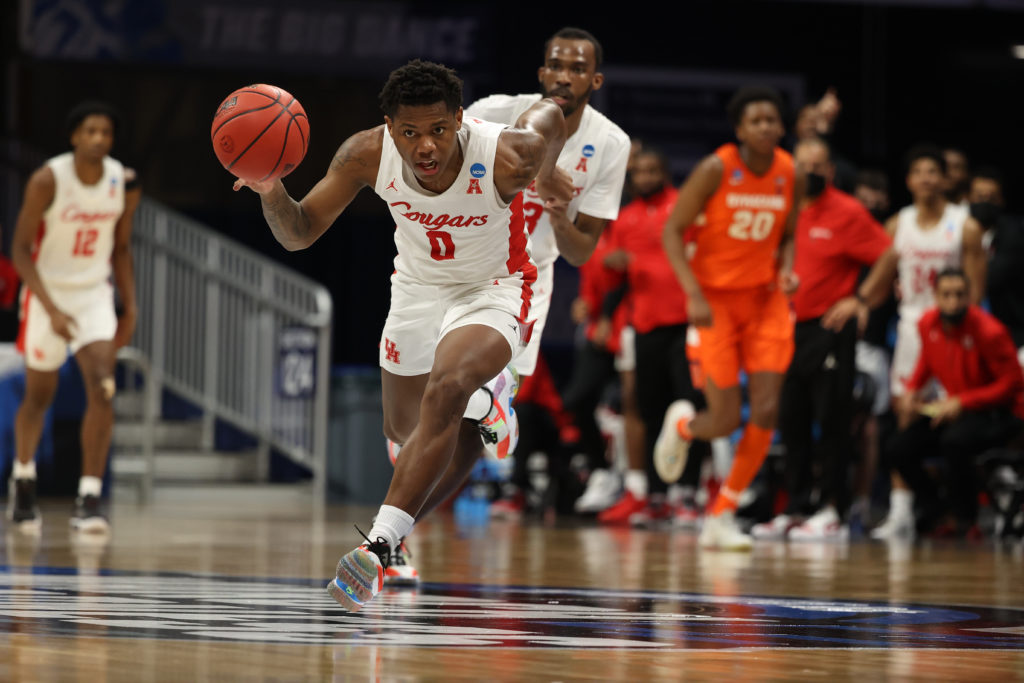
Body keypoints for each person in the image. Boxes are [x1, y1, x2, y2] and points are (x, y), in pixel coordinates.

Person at [234, 60, 571, 612]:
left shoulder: (507, 154)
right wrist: (270, 189)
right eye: (410, 132)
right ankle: (491, 402)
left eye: (439, 129)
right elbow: (298, 233)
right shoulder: (365, 153)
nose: (426, 147)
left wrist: (550, 170)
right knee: (404, 430)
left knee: (449, 386)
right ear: (389, 127)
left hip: (495, 288)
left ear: (460, 119)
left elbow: (552, 115)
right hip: (416, 291)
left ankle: (378, 547)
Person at [656, 86, 804, 550]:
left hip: (765, 303)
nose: (765, 127)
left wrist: (786, 270)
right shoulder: (716, 168)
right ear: (739, 129)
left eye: (772, 120)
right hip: (715, 302)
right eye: (755, 121)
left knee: (765, 410)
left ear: (781, 127)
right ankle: (683, 426)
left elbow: (788, 234)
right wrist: (693, 293)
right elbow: (672, 232)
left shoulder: (788, 170)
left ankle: (722, 513)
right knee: (722, 420)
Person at [823, 144, 986, 539]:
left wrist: (966, 332)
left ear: (944, 178)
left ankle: (961, 510)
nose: (928, 178)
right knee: (904, 416)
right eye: (919, 171)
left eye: (935, 171)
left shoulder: (965, 225)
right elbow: (880, 278)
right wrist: (860, 302)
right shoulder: (899, 224)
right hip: (913, 325)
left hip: (952, 327)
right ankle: (902, 511)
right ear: (909, 180)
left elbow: (976, 290)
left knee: (954, 420)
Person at [465, 26, 631, 378]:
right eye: (555, 66)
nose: (564, 78)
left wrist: (559, 218)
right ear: (542, 74)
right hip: (464, 265)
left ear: (595, 80)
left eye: (577, 69)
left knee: (501, 401)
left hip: (528, 280)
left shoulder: (611, 143)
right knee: (434, 396)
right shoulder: (492, 112)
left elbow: (581, 252)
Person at [7, 101, 140, 534]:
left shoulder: (123, 181)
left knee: (103, 387)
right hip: (47, 290)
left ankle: (89, 497)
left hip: (93, 294)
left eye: (106, 132)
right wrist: (51, 309)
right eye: (91, 131)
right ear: (74, 137)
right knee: (38, 396)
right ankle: (24, 480)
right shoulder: (49, 179)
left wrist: (131, 306)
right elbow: (20, 251)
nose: (99, 139)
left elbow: (121, 248)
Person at [751, 137, 891, 542]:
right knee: (791, 420)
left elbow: (888, 255)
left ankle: (833, 509)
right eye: (802, 165)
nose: (809, 172)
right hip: (785, 329)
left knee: (831, 422)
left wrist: (860, 300)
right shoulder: (781, 207)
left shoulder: (848, 212)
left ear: (830, 171)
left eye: (817, 166)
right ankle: (795, 507)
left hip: (829, 330)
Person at [598, 146, 709, 528]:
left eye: (651, 170)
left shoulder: (684, 207)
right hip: (645, 326)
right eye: (639, 172)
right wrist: (612, 267)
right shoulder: (625, 219)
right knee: (653, 411)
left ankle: (691, 494)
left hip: (686, 324)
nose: (644, 177)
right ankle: (659, 496)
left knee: (691, 409)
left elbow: (703, 254)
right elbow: (610, 271)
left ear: (665, 172)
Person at [887, 268, 1023, 536]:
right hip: (953, 411)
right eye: (946, 295)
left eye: (960, 295)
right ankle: (939, 512)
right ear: (935, 296)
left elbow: (1012, 385)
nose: (953, 302)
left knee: (955, 441)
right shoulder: (928, 324)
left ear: (970, 296)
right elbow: (927, 361)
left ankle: (966, 519)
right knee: (898, 447)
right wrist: (913, 390)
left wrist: (963, 401)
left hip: (998, 413)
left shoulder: (990, 331)